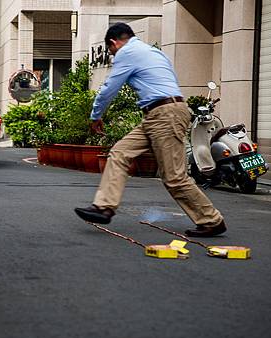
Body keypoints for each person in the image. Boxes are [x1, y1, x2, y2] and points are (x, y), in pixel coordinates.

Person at [74, 23, 226, 237]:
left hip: (164, 114)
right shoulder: (154, 52)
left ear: (113, 42)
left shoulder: (126, 52)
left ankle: (211, 219)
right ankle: (104, 207)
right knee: (120, 152)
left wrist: (96, 116)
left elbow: (110, 87)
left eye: (110, 51)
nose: (112, 55)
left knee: (174, 177)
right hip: (158, 114)